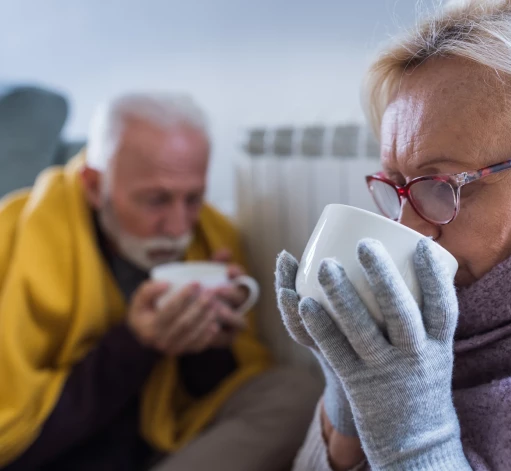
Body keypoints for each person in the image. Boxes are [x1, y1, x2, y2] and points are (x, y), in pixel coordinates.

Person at [276, 0, 511, 469]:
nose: (407, 227)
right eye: (397, 185)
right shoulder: (447, 313)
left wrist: (416, 444)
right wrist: (347, 401)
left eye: (442, 186)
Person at [0, 93, 320, 470]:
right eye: (156, 200)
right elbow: (18, 442)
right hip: (63, 453)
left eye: (194, 198)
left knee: (299, 394)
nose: (178, 227)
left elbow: (199, 403)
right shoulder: (19, 238)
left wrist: (210, 343)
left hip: (163, 449)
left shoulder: (212, 235)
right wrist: (135, 344)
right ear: (92, 185)